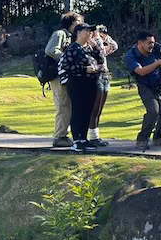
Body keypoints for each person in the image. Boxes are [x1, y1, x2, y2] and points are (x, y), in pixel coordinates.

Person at [125, 30, 161, 149]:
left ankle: (158, 137)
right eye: (149, 43)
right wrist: (157, 63)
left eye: (153, 42)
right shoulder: (131, 55)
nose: (152, 45)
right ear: (140, 43)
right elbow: (140, 71)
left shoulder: (156, 49)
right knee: (153, 111)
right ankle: (142, 138)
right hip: (145, 86)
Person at [57, 23, 100, 152]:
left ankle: (83, 139)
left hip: (91, 83)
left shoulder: (90, 48)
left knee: (88, 111)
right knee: (78, 111)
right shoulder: (72, 49)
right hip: (77, 83)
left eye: (91, 31)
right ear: (79, 33)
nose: (90, 33)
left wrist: (96, 48)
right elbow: (66, 66)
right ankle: (76, 140)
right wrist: (84, 69)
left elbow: (100, 61)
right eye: (87, 31)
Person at [44, 11, 84, 147]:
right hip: (57, 76)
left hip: (66, 76)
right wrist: (68, 58)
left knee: (69, 105)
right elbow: (50, 50)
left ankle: (64, 135)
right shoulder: (60, 34)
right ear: (71, 23)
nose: (80, 25)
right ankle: (59, 136)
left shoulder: (72, 37)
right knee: (63, 105)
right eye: (78, 22)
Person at [85, 24, 118, 147]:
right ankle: (92, 137)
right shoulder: (91, 44)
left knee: (99, 109)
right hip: (96, 76)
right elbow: (101, 51)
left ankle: (96, 136)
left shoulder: (100, 41)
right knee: (95, 108)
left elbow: (114, 46)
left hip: (105, 75)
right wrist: (98, 37)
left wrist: (105, 36)